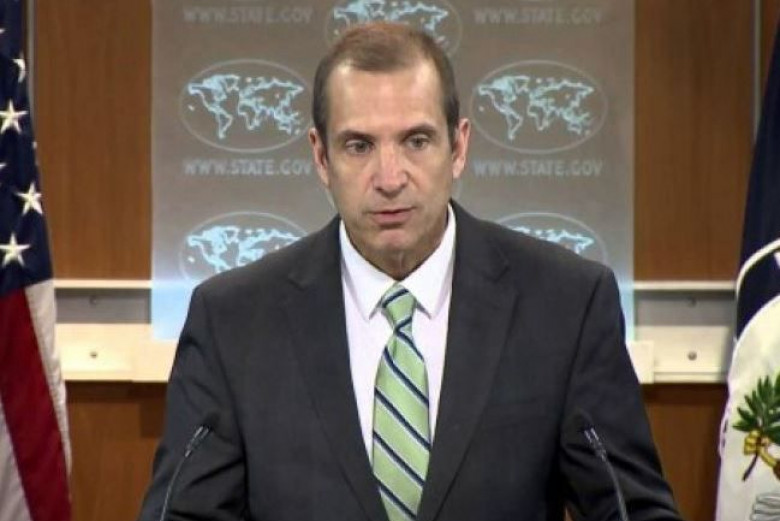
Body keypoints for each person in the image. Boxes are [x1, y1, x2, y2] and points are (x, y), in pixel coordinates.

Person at [138, 22, 681, 521]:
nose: (390, 177)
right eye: (359, 146)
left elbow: (632, 510)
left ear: (459, 146)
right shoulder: (233, 322)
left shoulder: (565, 306)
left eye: (416, 141)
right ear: (321, 157)